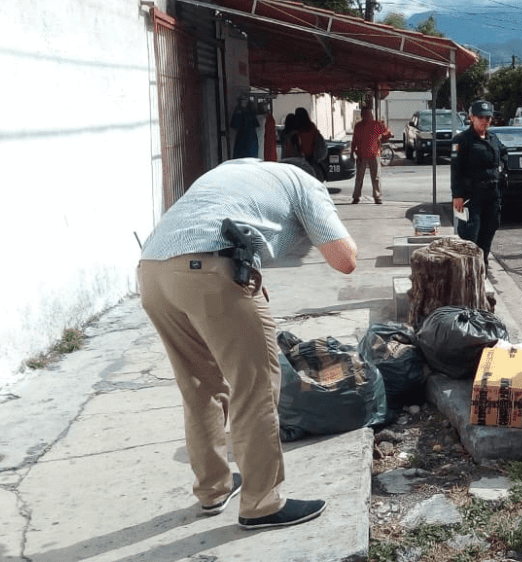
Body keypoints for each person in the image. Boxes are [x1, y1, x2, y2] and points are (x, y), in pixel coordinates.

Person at [137, 158, 358, 529]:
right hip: (208, 268)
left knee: (199, 387)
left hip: (152, 272)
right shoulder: (306, 185)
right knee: (254, 386)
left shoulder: (232, 170)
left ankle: (214, 488)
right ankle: (262, 502)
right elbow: (345, 260)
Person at [451, 100, 508, 267]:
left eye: (488, 118)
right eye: (481, 117)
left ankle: (482, 270)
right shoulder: (461, 140)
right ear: (471, 118)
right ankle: (469, 272)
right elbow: (455, 170)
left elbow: (504, 154)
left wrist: (502, 169)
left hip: (492, 196)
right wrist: (457, 195)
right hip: (470, 197)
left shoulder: (493, 139)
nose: (485, 121)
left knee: (488, 233)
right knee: (470, 236)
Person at [351, 105, 391, 204]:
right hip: (371, 154)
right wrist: (382, 137)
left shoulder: (361, 125)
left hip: (366, 154)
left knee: (361, 177)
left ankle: (358, 196)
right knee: (374, 177)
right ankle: (376, 197)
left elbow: (354, 140)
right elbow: (388, 134)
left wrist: (352, 152)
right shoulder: (375, 124)